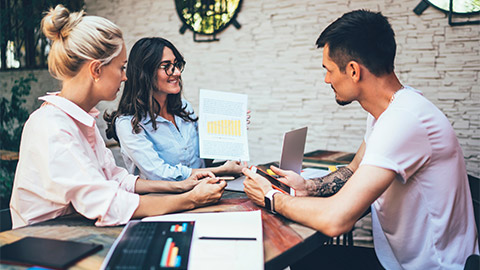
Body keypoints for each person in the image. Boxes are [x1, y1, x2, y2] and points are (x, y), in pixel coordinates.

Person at [243, 9, 478, 269]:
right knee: (308, 259)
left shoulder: (404, 120)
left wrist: (271, 198)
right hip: (399, 261)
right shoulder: (391, 110)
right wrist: (307, 187)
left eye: (329, 70)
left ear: (354, 71)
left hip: (433, 267)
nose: (326, 79)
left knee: (304, 260)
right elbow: (355, 169)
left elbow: (337, 220)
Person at [10, 5, 226, 229]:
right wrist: (191, 199)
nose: (125, 78)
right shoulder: (52, 126)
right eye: (122, 68)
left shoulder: (80, 120)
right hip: (44, 242)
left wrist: (182, 186)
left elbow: (116, 180)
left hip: (75, 232)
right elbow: (108, 204)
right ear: (96, 70)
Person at [104, 37, 247, 182]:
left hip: (205, 192)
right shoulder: (128, 124)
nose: (177, 72)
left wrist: (229, 130)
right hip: (163, 201)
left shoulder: (184, 108)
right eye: (166, 66)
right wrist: (221, 170)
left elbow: (200, 161)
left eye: (177, 64)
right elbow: (159, 174)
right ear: (145, 72)